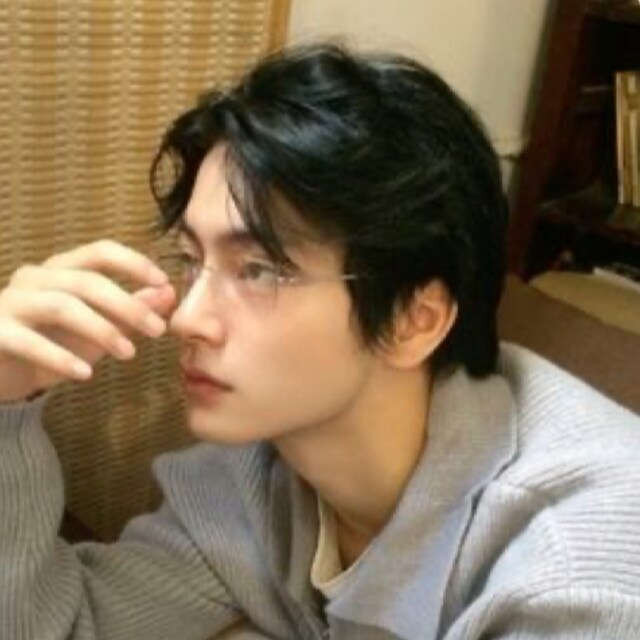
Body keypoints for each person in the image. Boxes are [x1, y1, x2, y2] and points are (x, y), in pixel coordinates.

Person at [0, 43, 639, 640]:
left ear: (413, 321)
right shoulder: (250, 478)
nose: (187, 318)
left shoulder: (574, 569)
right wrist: (6, 401)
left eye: (260, 270)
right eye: (192, 260)